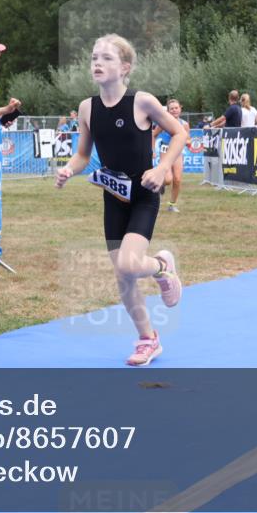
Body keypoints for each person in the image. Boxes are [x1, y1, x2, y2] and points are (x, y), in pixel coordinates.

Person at [55, 34, 185, 367]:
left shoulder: (142, 102)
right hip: (113, 197)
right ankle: (148, 339)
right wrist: (69, 169)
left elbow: (180, 133)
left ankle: (161, 267)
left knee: (129, 264)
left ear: (125, 67)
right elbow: (83, 155)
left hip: (143, 195)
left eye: (107, 58)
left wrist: (162, 168)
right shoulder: (87, 108)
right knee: (123, 276)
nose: (97, 63)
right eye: (94, 57)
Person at [152, 98, 191, 213]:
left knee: (177, 179)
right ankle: (160, 185)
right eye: (172, 109)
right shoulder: (163, 123)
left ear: (180, 109)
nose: (174, 110)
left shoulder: (185, 124)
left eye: (176, 108)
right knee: (168, 179)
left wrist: (187, 142)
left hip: (178, 152)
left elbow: (188, 139)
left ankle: (172, 205)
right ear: (168, 111)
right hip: (165, 151)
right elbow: (153, 135)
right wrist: (153, 150)